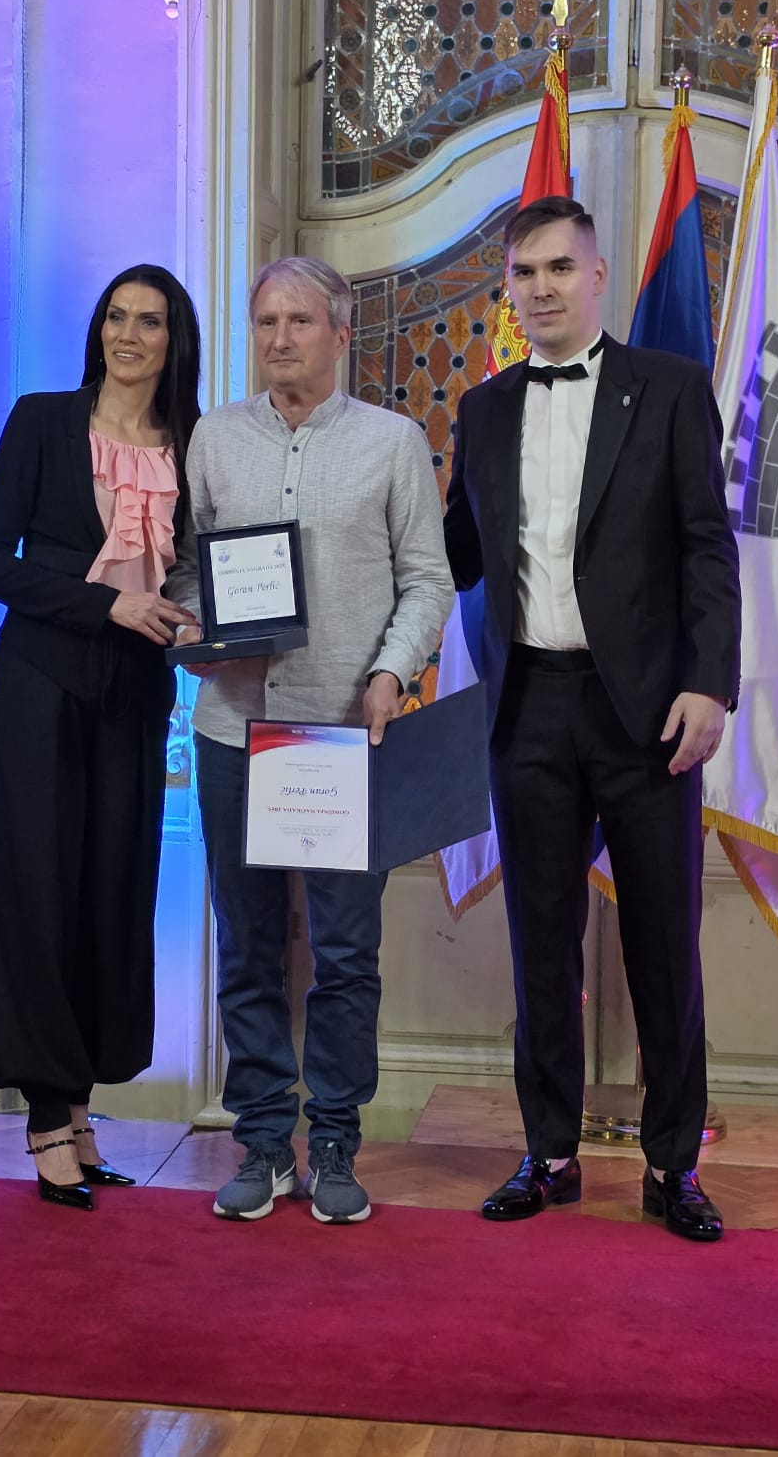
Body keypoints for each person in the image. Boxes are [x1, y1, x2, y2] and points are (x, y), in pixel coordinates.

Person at [443, 197, 742, 1241]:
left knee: (663, 948)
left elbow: (707, 548)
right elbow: (454, 554)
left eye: (559, 268)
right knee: (541, 946)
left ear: (598, 274)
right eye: (523, 273)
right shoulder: (483, 410)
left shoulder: (669, 388)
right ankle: (549, 1154)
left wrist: (709, 685)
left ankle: (672, 1167)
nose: (541, 290)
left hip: (648, 713)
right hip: (528, 706)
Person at [168, 256, 453, 1225]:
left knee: (343, 953)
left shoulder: (391, 443)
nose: (280, 338)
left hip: (339, 737)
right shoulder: (213, 439)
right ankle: (261, 1141)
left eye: (299, 321)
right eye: (265, 322)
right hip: (231, 731)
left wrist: (391, 674)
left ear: (339, 332)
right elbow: (186, 572)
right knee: (246, 947)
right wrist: (197, 631)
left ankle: (333, 1140)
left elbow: (428, 580)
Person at [0, 265, 202, 1210]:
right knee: (38, 894)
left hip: (136, 697)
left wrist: (208, 620)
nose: (127, 335)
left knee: (109, 895)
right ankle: (46, 1118)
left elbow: (197, 572)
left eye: (149, 321)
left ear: (175, 340)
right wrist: (107, 605)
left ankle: (82, 1111)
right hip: (39, 689)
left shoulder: (193, 444)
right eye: (115, 317)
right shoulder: (42, 421)